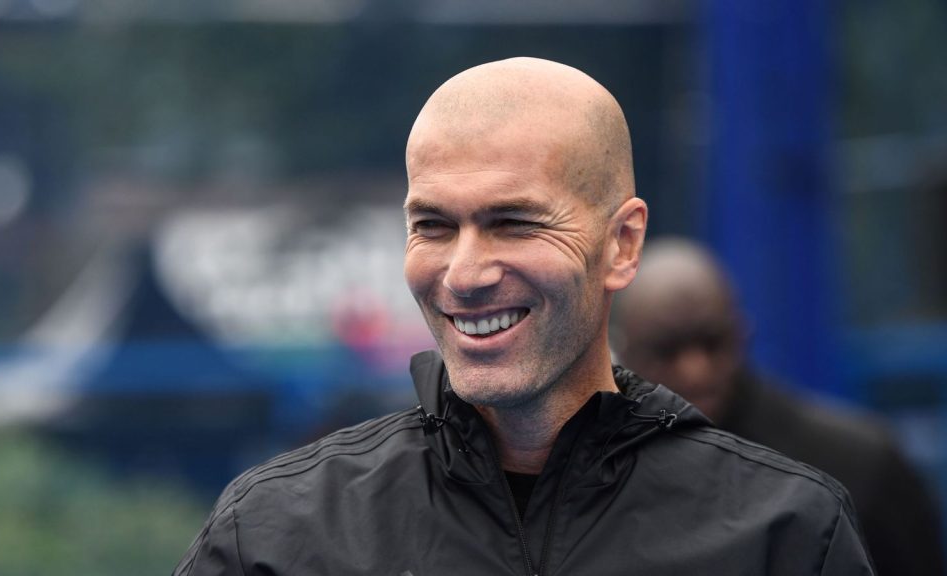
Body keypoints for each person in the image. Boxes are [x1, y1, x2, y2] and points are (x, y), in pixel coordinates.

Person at [174, 57, 875, 575]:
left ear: (622, 244)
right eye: (433, 226)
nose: (464, 273)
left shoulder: (784, 534)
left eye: (512, 222)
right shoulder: (277, 534)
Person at [613, 236, 944, 576]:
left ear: (742, 335)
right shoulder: (605, 475)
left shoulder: (861, 463)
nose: (695, 370)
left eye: (712, 342)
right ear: (625, 354)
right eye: (666, 350)